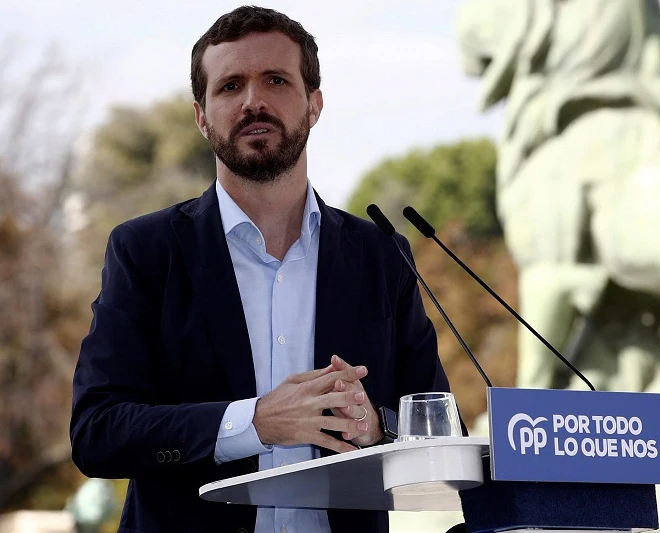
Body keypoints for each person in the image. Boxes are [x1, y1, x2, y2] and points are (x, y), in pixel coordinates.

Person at [69, 6, 457, 533]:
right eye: (230, 86)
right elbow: (98, 432)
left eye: (276, 80)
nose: (254, 101)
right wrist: (253, 423)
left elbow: (435, 431)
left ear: (314, 103)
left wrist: (377, 430)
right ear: (202, 115)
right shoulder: (146, 251)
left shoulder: (381, 255)